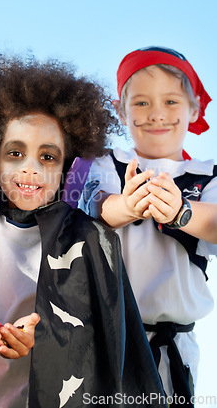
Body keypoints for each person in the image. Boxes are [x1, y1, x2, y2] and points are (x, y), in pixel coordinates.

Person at [0, 54, 166, 408]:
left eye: (47, 157)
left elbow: (105, 337)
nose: (30, 169)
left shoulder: (88, 236)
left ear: (66, 167)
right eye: (15, 153)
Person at [79, 46, 216, 405]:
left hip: (174, 353)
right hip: (102, 345)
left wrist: (181, 212)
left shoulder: (207, 176)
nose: (157, 114)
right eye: (140, 103)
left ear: (194, 108)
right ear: (120, 110)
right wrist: (126, 206)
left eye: (171, 102)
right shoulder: (103, 161)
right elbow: (89, 207)